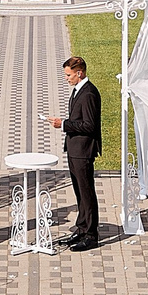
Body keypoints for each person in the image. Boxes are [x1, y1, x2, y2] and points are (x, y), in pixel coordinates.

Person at [50, 55, 101, 250]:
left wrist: (63, 124)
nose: (66, 78)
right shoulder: (78, 91)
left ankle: (91, 234)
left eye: (68, 75)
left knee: (87, 192)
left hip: (83, 150)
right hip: (74, 149)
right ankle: (81, 228)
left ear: (79, 73)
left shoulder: (88, 93)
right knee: (79, 192)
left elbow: (89, 125)